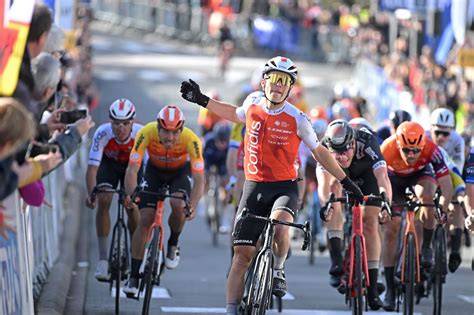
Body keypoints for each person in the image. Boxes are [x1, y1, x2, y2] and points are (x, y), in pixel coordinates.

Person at [180, 56, 363, 315]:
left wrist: (346, 181)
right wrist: (202, 100)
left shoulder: (297, 118)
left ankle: (277, 269)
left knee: (279, 227)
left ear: (290, 88)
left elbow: (320, 152)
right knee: (241, 255)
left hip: (284, 187)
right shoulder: (253, 102)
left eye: (285, 81)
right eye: (274, 79)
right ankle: (232, 308)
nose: (278, 85)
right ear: (264, 81)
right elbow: (234, 114)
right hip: (254, 187)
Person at [123, 105, 205, 297]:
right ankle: (134, 275)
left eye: (174, 133)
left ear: (181, 130)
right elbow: (132, 169)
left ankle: (173, 244)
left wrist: (193, 204)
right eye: (165, 132)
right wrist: (132, 194)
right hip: (153, 171)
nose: (169, 137)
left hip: (179, 173)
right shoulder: (146, 132)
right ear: (158, 128)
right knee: (145, 219)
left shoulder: (191, 139)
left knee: (179, 205)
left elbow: (200, 178)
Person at [317, 119, 392, 310]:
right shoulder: (324, 147)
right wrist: (326, 205)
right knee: (333, 198)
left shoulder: (368, 141)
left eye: (345, 151)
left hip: (367, 174)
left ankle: (373, 287)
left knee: (370, 222)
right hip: (340, 176)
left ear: (353, 143)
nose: (342, 156)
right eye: (337, 152)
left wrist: (386, 203)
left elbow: (382, 177)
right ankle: (336, 260)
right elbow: (323, 185)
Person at [380, 121, 453, 311]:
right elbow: (377, 181)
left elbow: (446, 186)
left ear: (422, 146)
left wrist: (442, 209)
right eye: (406, 150)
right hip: (393, 180)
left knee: (428, 196)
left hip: (421, 175)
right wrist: (382, 205)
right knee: (391, 229)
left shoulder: (431, 149)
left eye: (415, 150)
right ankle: (389, 288)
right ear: (397, 145)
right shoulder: (386, 148)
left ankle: (426, 247)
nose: (411, 155)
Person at [85, 98, 143, 281]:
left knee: (132, 206)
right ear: (111, 122)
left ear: (132, 122)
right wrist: (92, 194)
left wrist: (135, 196)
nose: (121, 128)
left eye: (126, 123)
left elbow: (147, 169)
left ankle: (136, 251)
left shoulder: (140, 134)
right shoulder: (102, 133)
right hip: (109, 166)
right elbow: (92, 169)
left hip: (132, 169)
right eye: (116, 123)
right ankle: (103, 260)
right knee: (104, 199)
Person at [428, 107, 466, 272]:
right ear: (430, 129)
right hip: (429, 173)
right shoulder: (423, 137)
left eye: (446, 133)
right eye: (437, 133)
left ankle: (456, 248)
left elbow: (456, 169)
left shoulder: (458, 141)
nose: (441, 137)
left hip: (449, 171)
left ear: (452, 131)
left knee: (457, 201)